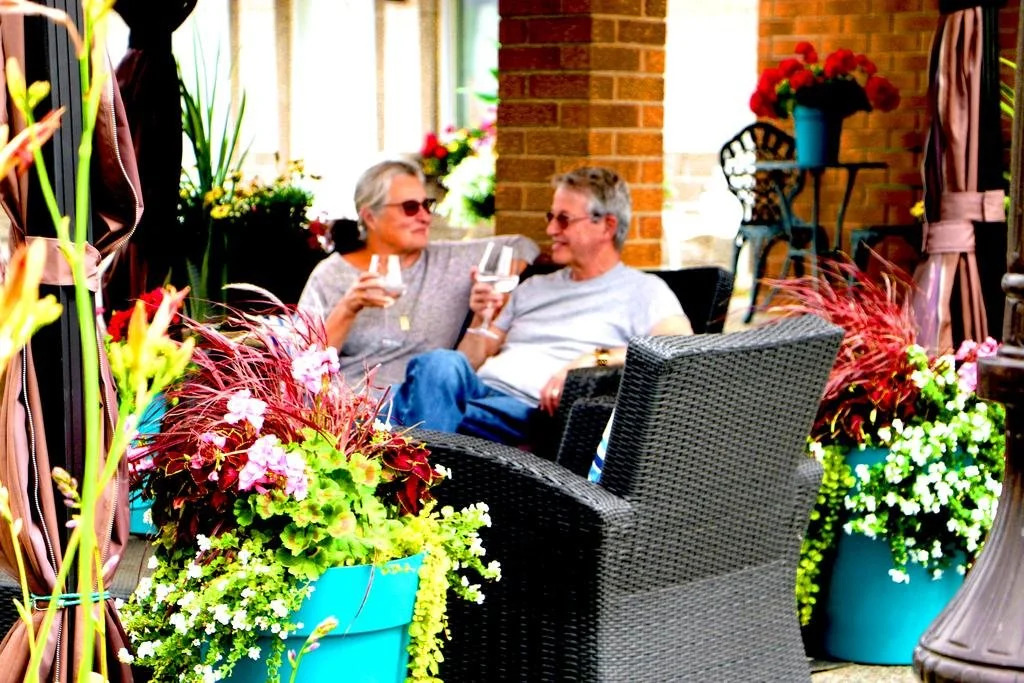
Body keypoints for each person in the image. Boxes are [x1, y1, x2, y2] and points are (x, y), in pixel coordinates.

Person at [390, 166, 692, 444]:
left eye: (564, 219)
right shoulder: (533, 287)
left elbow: (680, 351)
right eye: (551, 218)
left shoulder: (644, 291)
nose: (551, 230)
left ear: (607, 226)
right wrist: (481, 318)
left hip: (530, 412)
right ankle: (420, 466)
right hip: (475, 395)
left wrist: (596, 359)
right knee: (439, 363)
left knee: (400, 411)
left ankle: (410, 464)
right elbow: (468, 362)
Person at [297, 159, 538, 386]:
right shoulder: (331, 276)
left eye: (427, 205)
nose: (425, 217)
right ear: (370, 217)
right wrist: (348, 308)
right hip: (355, 403)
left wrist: (497, 285)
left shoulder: (451, 259)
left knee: (447, 375)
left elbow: (522, 245)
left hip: (426, 397)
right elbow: (303, 364)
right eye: (410, 207)